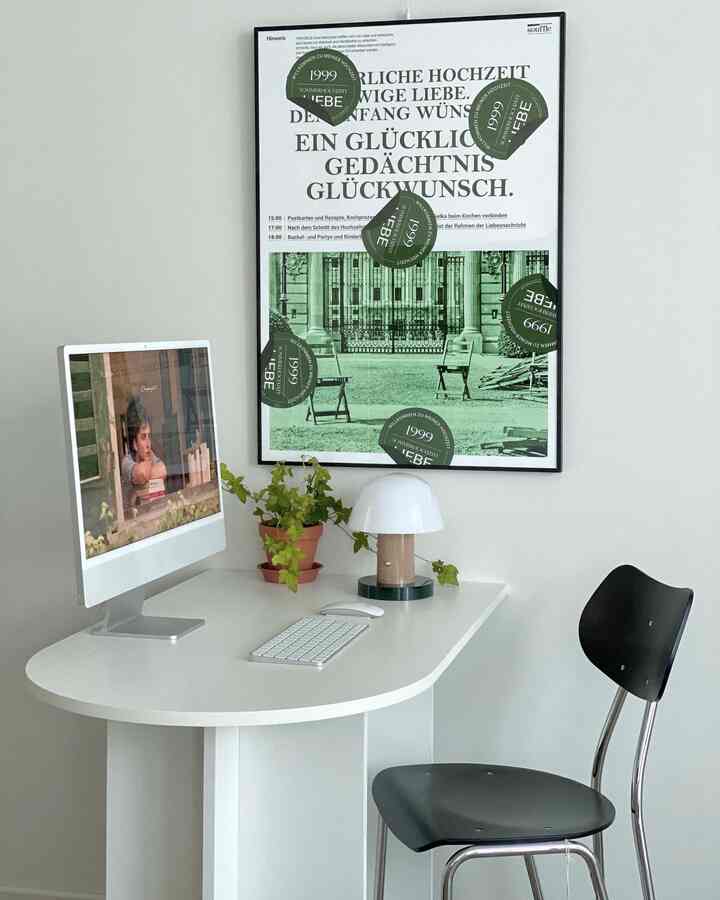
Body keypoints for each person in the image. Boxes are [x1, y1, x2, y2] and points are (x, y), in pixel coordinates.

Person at [121, 396, 167, 511]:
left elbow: (162, 470)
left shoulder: (150, 454)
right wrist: (149, 466)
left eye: (149, 436)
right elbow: (141, 473)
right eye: (143, 437)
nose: (148, 443)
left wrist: (147, 470)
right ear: (134, 443)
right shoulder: (126, 462)